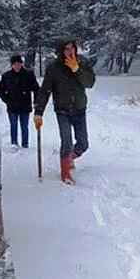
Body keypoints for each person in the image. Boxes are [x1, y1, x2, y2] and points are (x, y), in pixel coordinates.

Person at [34, 38, 96, 184]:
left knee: (83, 144)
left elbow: (90, 83)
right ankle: (65, 173)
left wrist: (76, 69)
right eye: (66, 49)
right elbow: (45, 91)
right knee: (66, 141)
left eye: (72, 48)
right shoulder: (53, 68)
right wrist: (38, 112)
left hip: (80, 109)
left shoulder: (83, 62)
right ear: (61, 51)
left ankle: (69, 158)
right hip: (62, 110)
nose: (70, 51)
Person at [0, 55, 39, 149]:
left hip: (25, 105)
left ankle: (25, 144)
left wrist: (36, 101)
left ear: (21, 64)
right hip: (12, 106)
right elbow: (0, 90)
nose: (17, 66)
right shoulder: (6, 76)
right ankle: (14, 143)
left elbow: (36, 88)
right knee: (13, 125)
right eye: (15, 64)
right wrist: (7, 100)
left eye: (19, 63)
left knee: (24, 126)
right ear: (12, 65)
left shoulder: (28, 75)